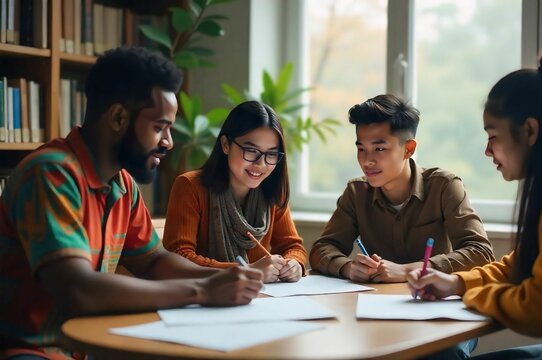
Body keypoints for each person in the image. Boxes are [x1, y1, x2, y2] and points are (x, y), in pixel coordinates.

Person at [0, 47, 263, 359]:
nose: (168, 142)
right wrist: (204, 291)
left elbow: (153, 261)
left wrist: (225, 278)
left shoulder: (122, 184)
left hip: (89, 344)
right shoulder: (51, 173)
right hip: (29, 349)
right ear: (118, 117)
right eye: (159, 127)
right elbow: (78, 290)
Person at [407, 48, 542, 360]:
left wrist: (474, 295)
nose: (488, 151)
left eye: (493, 135)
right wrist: (456, 282)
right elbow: (526, 261)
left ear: (529, 130)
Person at [310, 94, 495, 283]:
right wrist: (348, 268)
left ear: (408, 149)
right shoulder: (357, 192)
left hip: (430, 301)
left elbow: (481, 252)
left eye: (379, 149)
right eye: (361, 149)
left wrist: (408, 271)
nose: (367, 161)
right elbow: (321, 249)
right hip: (374, 303)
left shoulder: (444, 187)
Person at [163, 101, 306, 283]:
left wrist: (294, 264)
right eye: (251, 150)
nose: (261, 164)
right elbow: (178, 259)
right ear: (225, 144)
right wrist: (245, 271)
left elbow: (293, 246)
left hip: (258, 300)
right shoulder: (190, 186)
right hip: (201, 298)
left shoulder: (272, 191)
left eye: (271, 154)